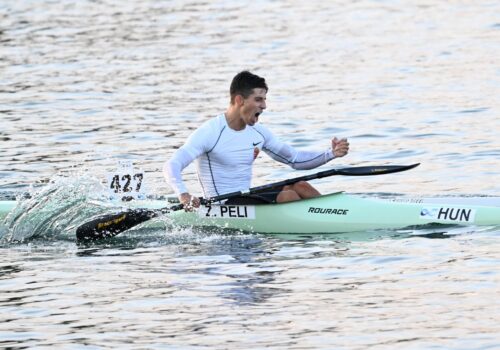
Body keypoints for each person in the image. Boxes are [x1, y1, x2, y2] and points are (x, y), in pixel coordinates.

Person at [164, 71, 349, 209]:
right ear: (239, 100)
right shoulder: (210, 132)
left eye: (265, 99)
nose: (265, 106)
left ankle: (335, 215)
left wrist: (331, 154)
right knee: (288, 196)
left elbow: (295, 159)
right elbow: (172, 165)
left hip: (246, 197)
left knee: (301, 186)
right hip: (222, 205)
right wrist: (183, 194)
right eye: (259, 99)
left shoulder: (258, 133)